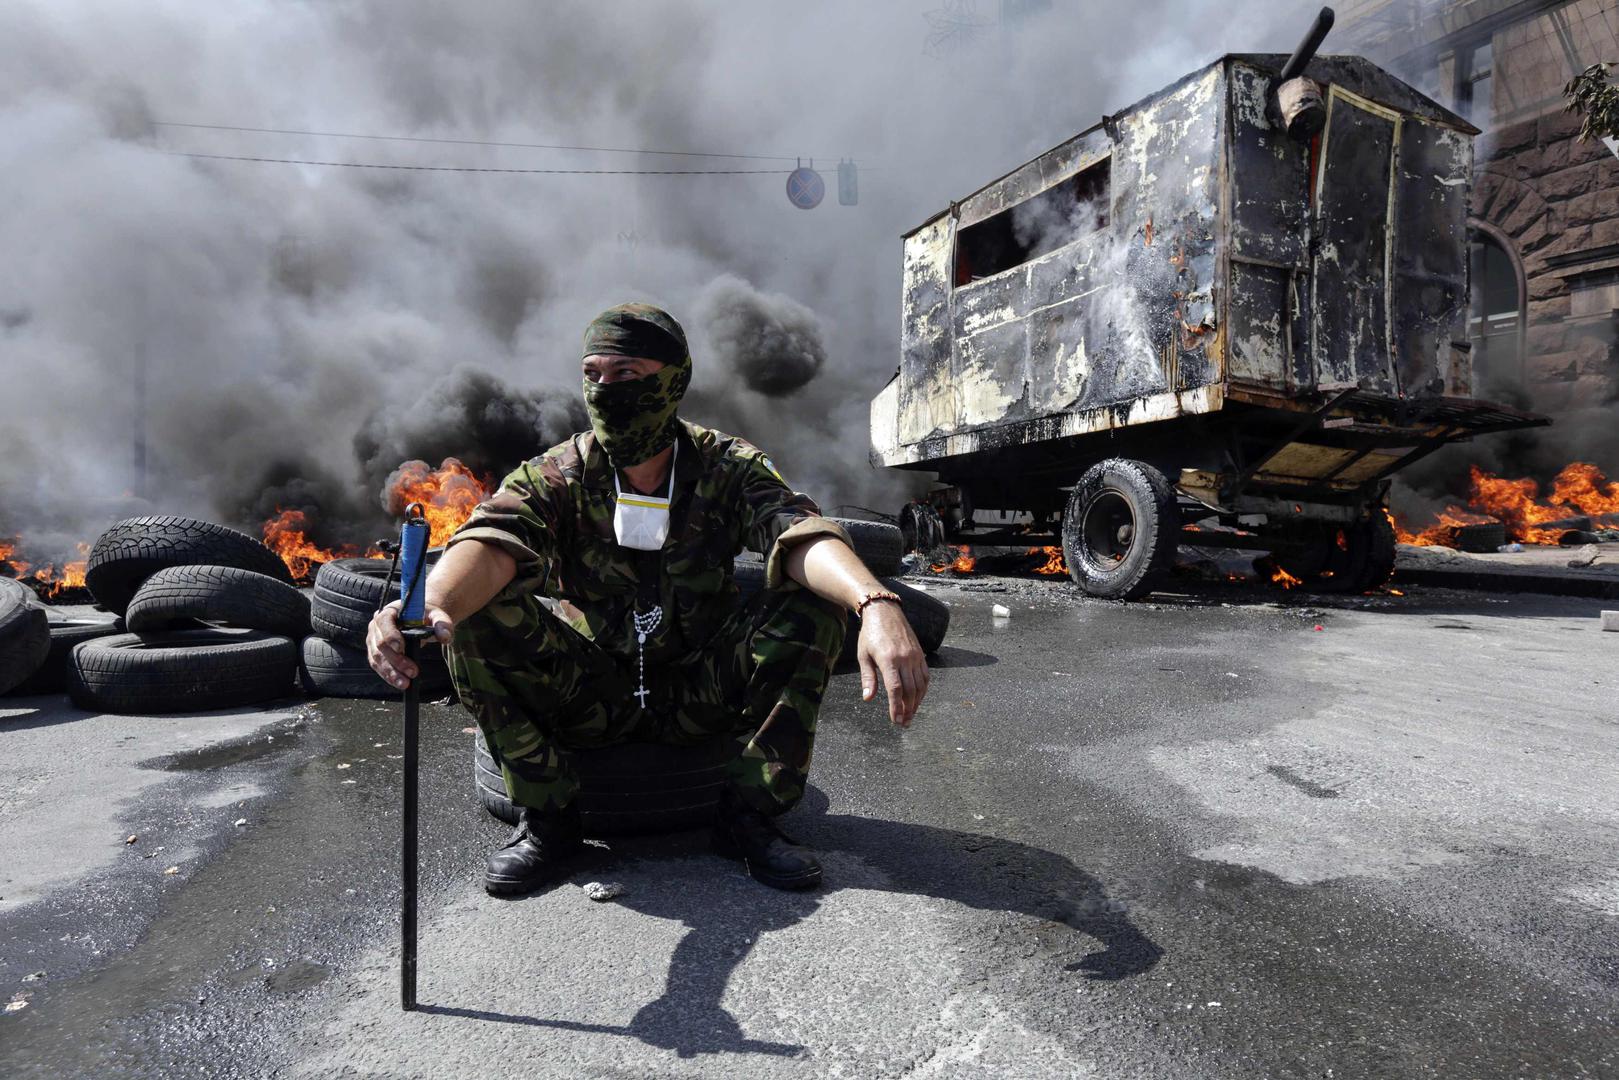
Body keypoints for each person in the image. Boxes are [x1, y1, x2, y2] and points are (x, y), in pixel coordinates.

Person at [366, 303, 929, 896]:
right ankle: (551, 821)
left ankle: (748, 816)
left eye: (627, 374)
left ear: (674, 381)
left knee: (815, 605)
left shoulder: (725, 466)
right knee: (475, 618)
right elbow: (493, 540)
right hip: (589, 689)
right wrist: (430, 605)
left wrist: (876, 603)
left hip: (700, 685)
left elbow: (796, 532)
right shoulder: (558, 474)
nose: (605, 390)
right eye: (593, 374)